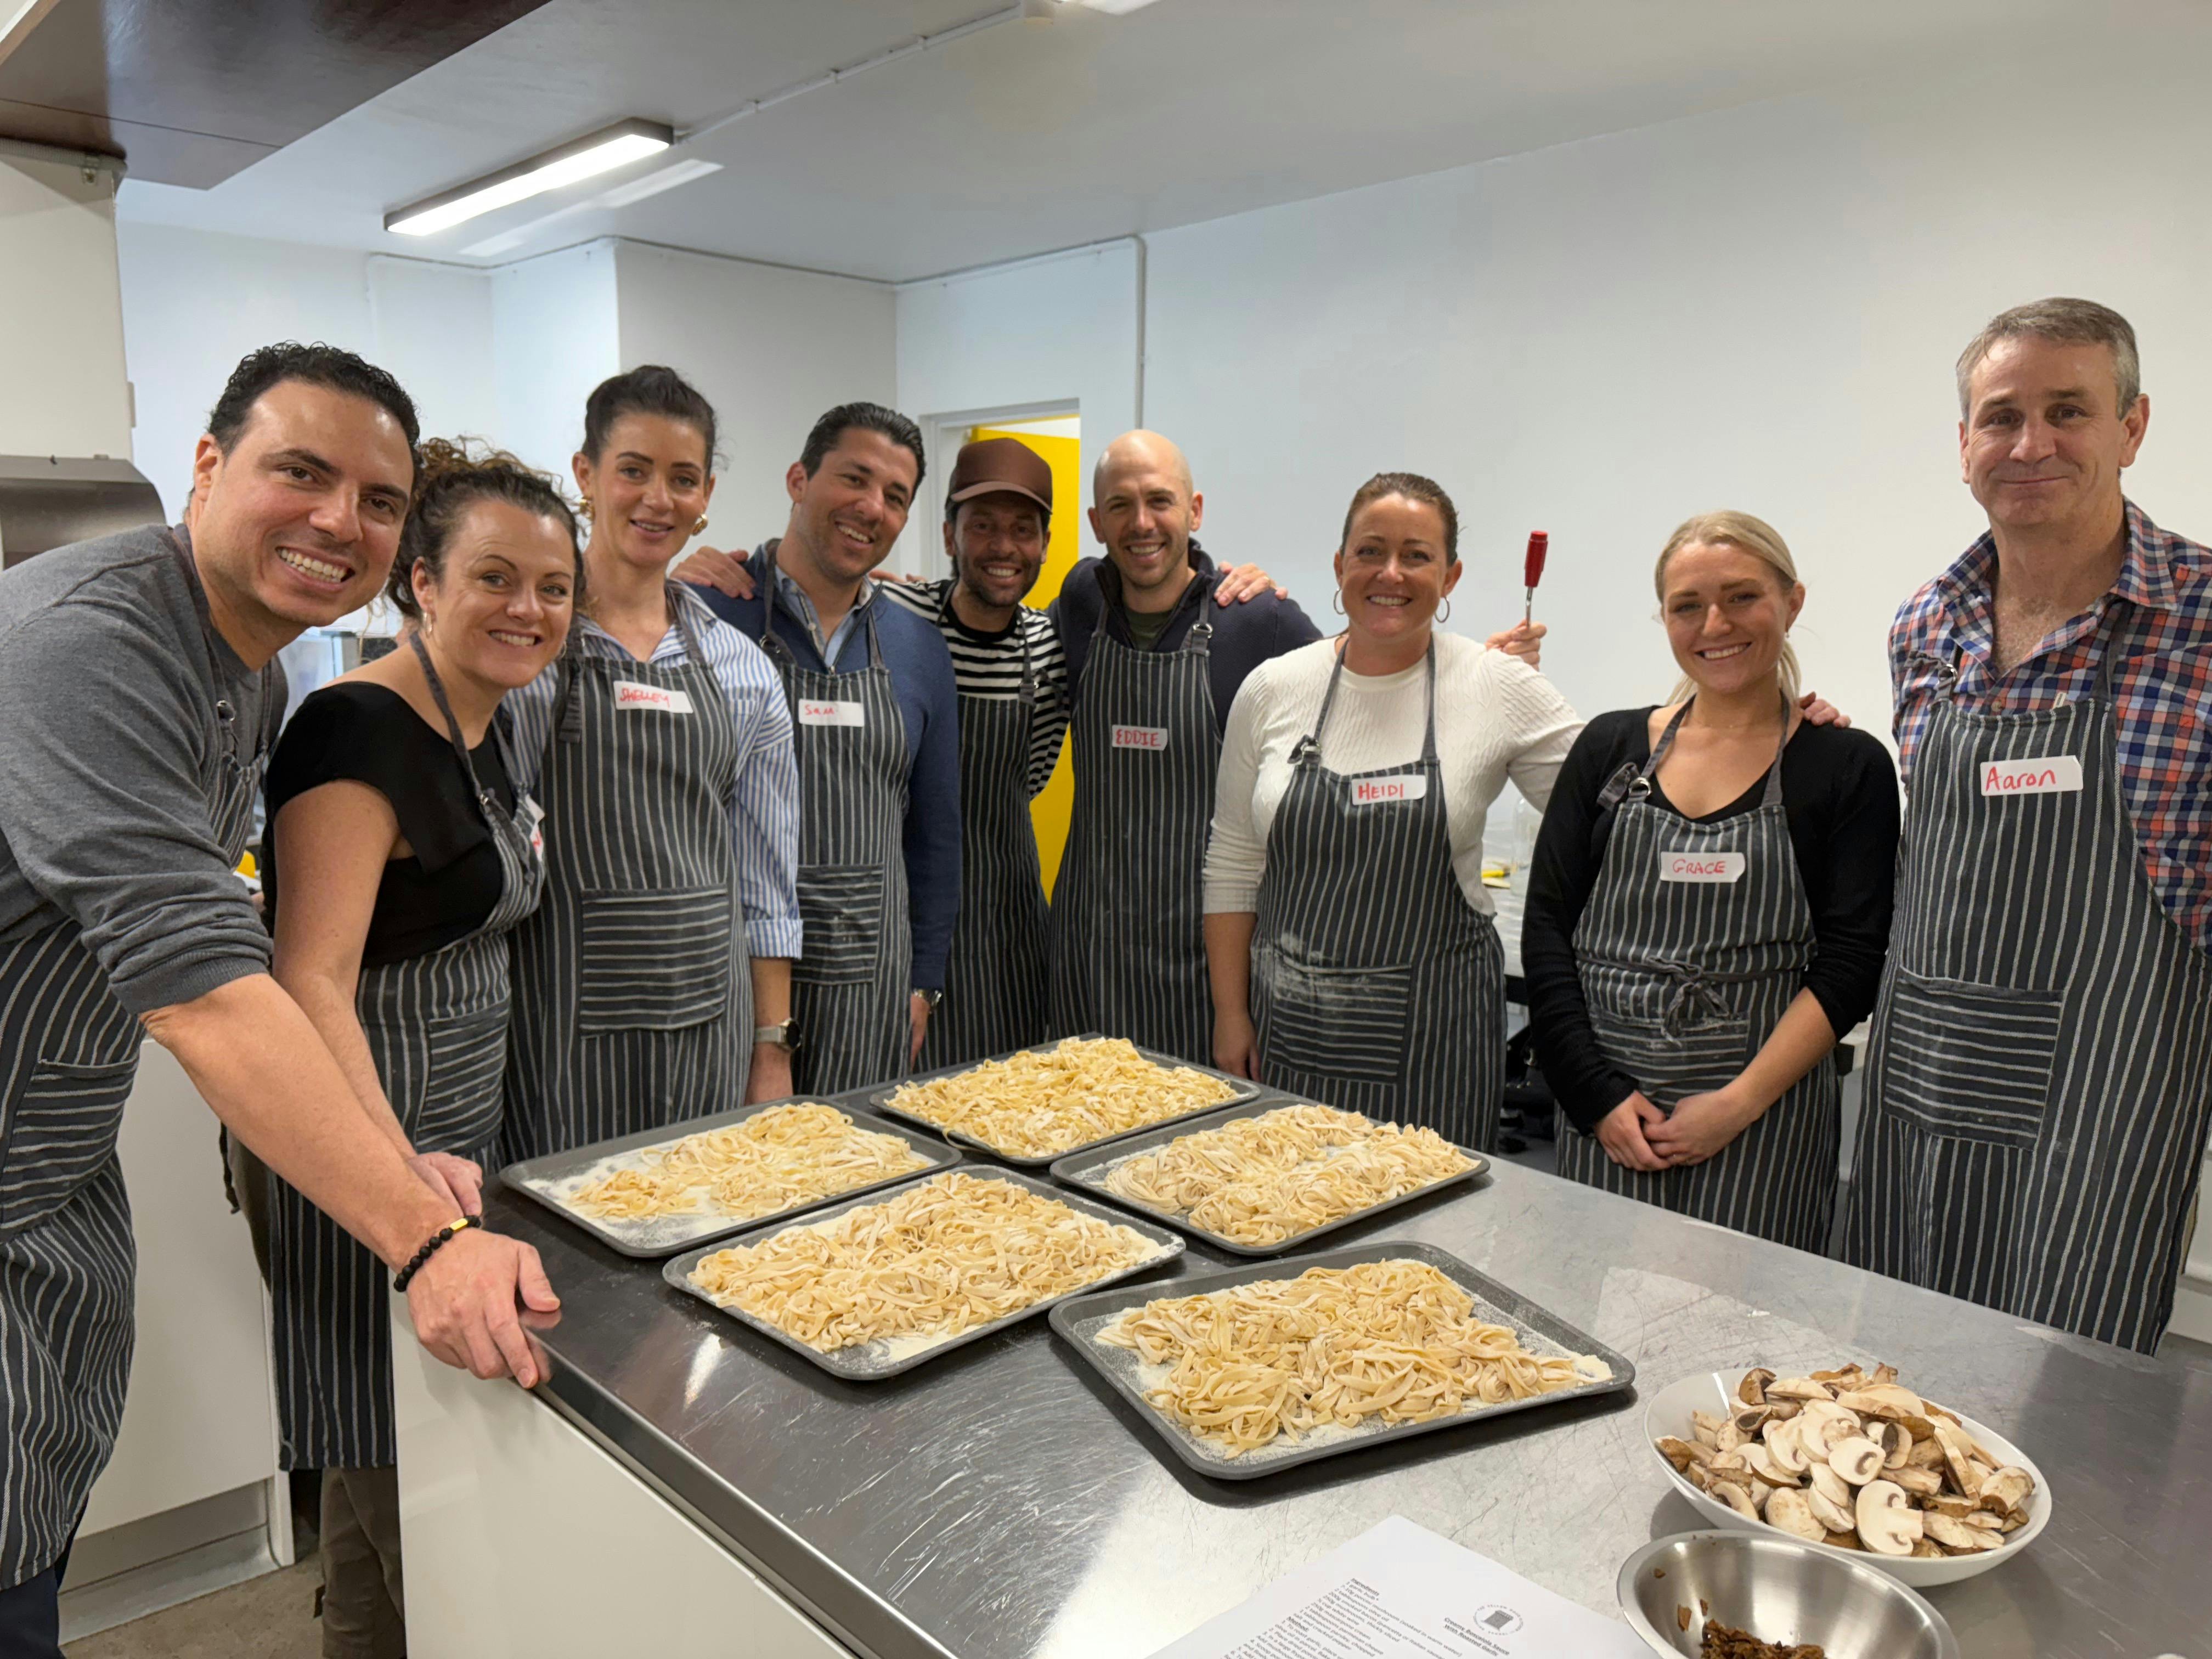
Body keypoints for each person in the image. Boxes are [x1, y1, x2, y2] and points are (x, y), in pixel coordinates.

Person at [0, 345, 556, 1650]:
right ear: (207, 466)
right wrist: (423, 1239)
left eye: (375, 498)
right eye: (299, 473)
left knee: (28, 1538)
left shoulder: (247, 668)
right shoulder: (87, 640)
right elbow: (211, 985)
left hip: (54, 1170)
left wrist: (396, 1164)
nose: (336, 522)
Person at [1843, 298, 2212, 1353]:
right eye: (2000, 416)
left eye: (2068, 410)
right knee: (1891, 1374)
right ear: (1964, 445)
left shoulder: (2198, 618)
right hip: (1925, 1070)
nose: (2031, 443)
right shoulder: (1924, 624)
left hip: (2110, 1092)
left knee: (2066, 1392)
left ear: (2132, 428)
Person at [674, 436, 1288, 1069]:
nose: (1003, 547)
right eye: (982, 526)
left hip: (1012, 933)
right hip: (894, 923)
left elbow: (1040, 770)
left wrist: (1251, 586)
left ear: (1047, 546)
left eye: (1023, 529)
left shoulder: (1055, 640)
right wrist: (711, 568)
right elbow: (818, 583)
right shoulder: (892, 617)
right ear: (948, 535)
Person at [262, 441, 577, 1656]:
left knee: (381, 1449)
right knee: (392, 1446)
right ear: (423, 584)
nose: (528, 610)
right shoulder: (354, 732)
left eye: (552, 588)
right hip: (359, 1141)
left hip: (453, 1130)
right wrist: (397, 1186)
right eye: (495, 578)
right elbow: (311, 985)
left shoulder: (484, 720)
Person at [1523, 512, 1899, 1251]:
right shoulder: (1610, 747)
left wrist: (1735, 1105)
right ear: (1664, 617)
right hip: (1609, 1115)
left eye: (1742, 598)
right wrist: (1595, 1096)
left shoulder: (1844, 765)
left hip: (1762, 1122)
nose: (1714, 623)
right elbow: (1547, 930)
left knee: (1738, 1345)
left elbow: (1853, 963)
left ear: (1792, 604)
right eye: (1687, 605)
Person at [1203, 473, 1577, 1146]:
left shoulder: (1496, 684)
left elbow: (1615, 808)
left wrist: (1757, 725)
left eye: (1418, 555)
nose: (1391, 573)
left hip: (1436, 1040)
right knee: (1283, 1216)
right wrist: (1232, 1013)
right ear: (1340, 565)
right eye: (1371, 551)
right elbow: (1233, 859)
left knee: (1427, 1234)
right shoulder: (1273, 687)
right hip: (1288, 1032)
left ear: (1451, 576)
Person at [498, 367, 801, 1164]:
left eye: (682, 479)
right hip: (558, 1029)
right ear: (586, 476)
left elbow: (766, 883)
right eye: (633, 470)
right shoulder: (524, 653)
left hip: (713, 1026)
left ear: (706, 499)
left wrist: (771, 1047)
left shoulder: (743, 672)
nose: (657, 500)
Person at [691, 404, 961, 1092]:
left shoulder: (918, 648)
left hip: (871, 986)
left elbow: (935, 836)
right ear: (798, 479)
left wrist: (924, 981)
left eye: (895, 498)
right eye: (855, 479)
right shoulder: (711, 613)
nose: (871, 508)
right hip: (732, 977)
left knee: (855, 1176)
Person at [1047, 431, 1328, 1064]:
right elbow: (993, 626)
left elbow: (1364, 677)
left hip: (1205, 971)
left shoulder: (1257, 621)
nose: (1141, 523)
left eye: (1160, 501)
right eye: (1120, 506)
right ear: (1096, 522)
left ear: (1194, 511)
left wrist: (1476, 664)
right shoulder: (1080, 600)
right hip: (1086, 958)